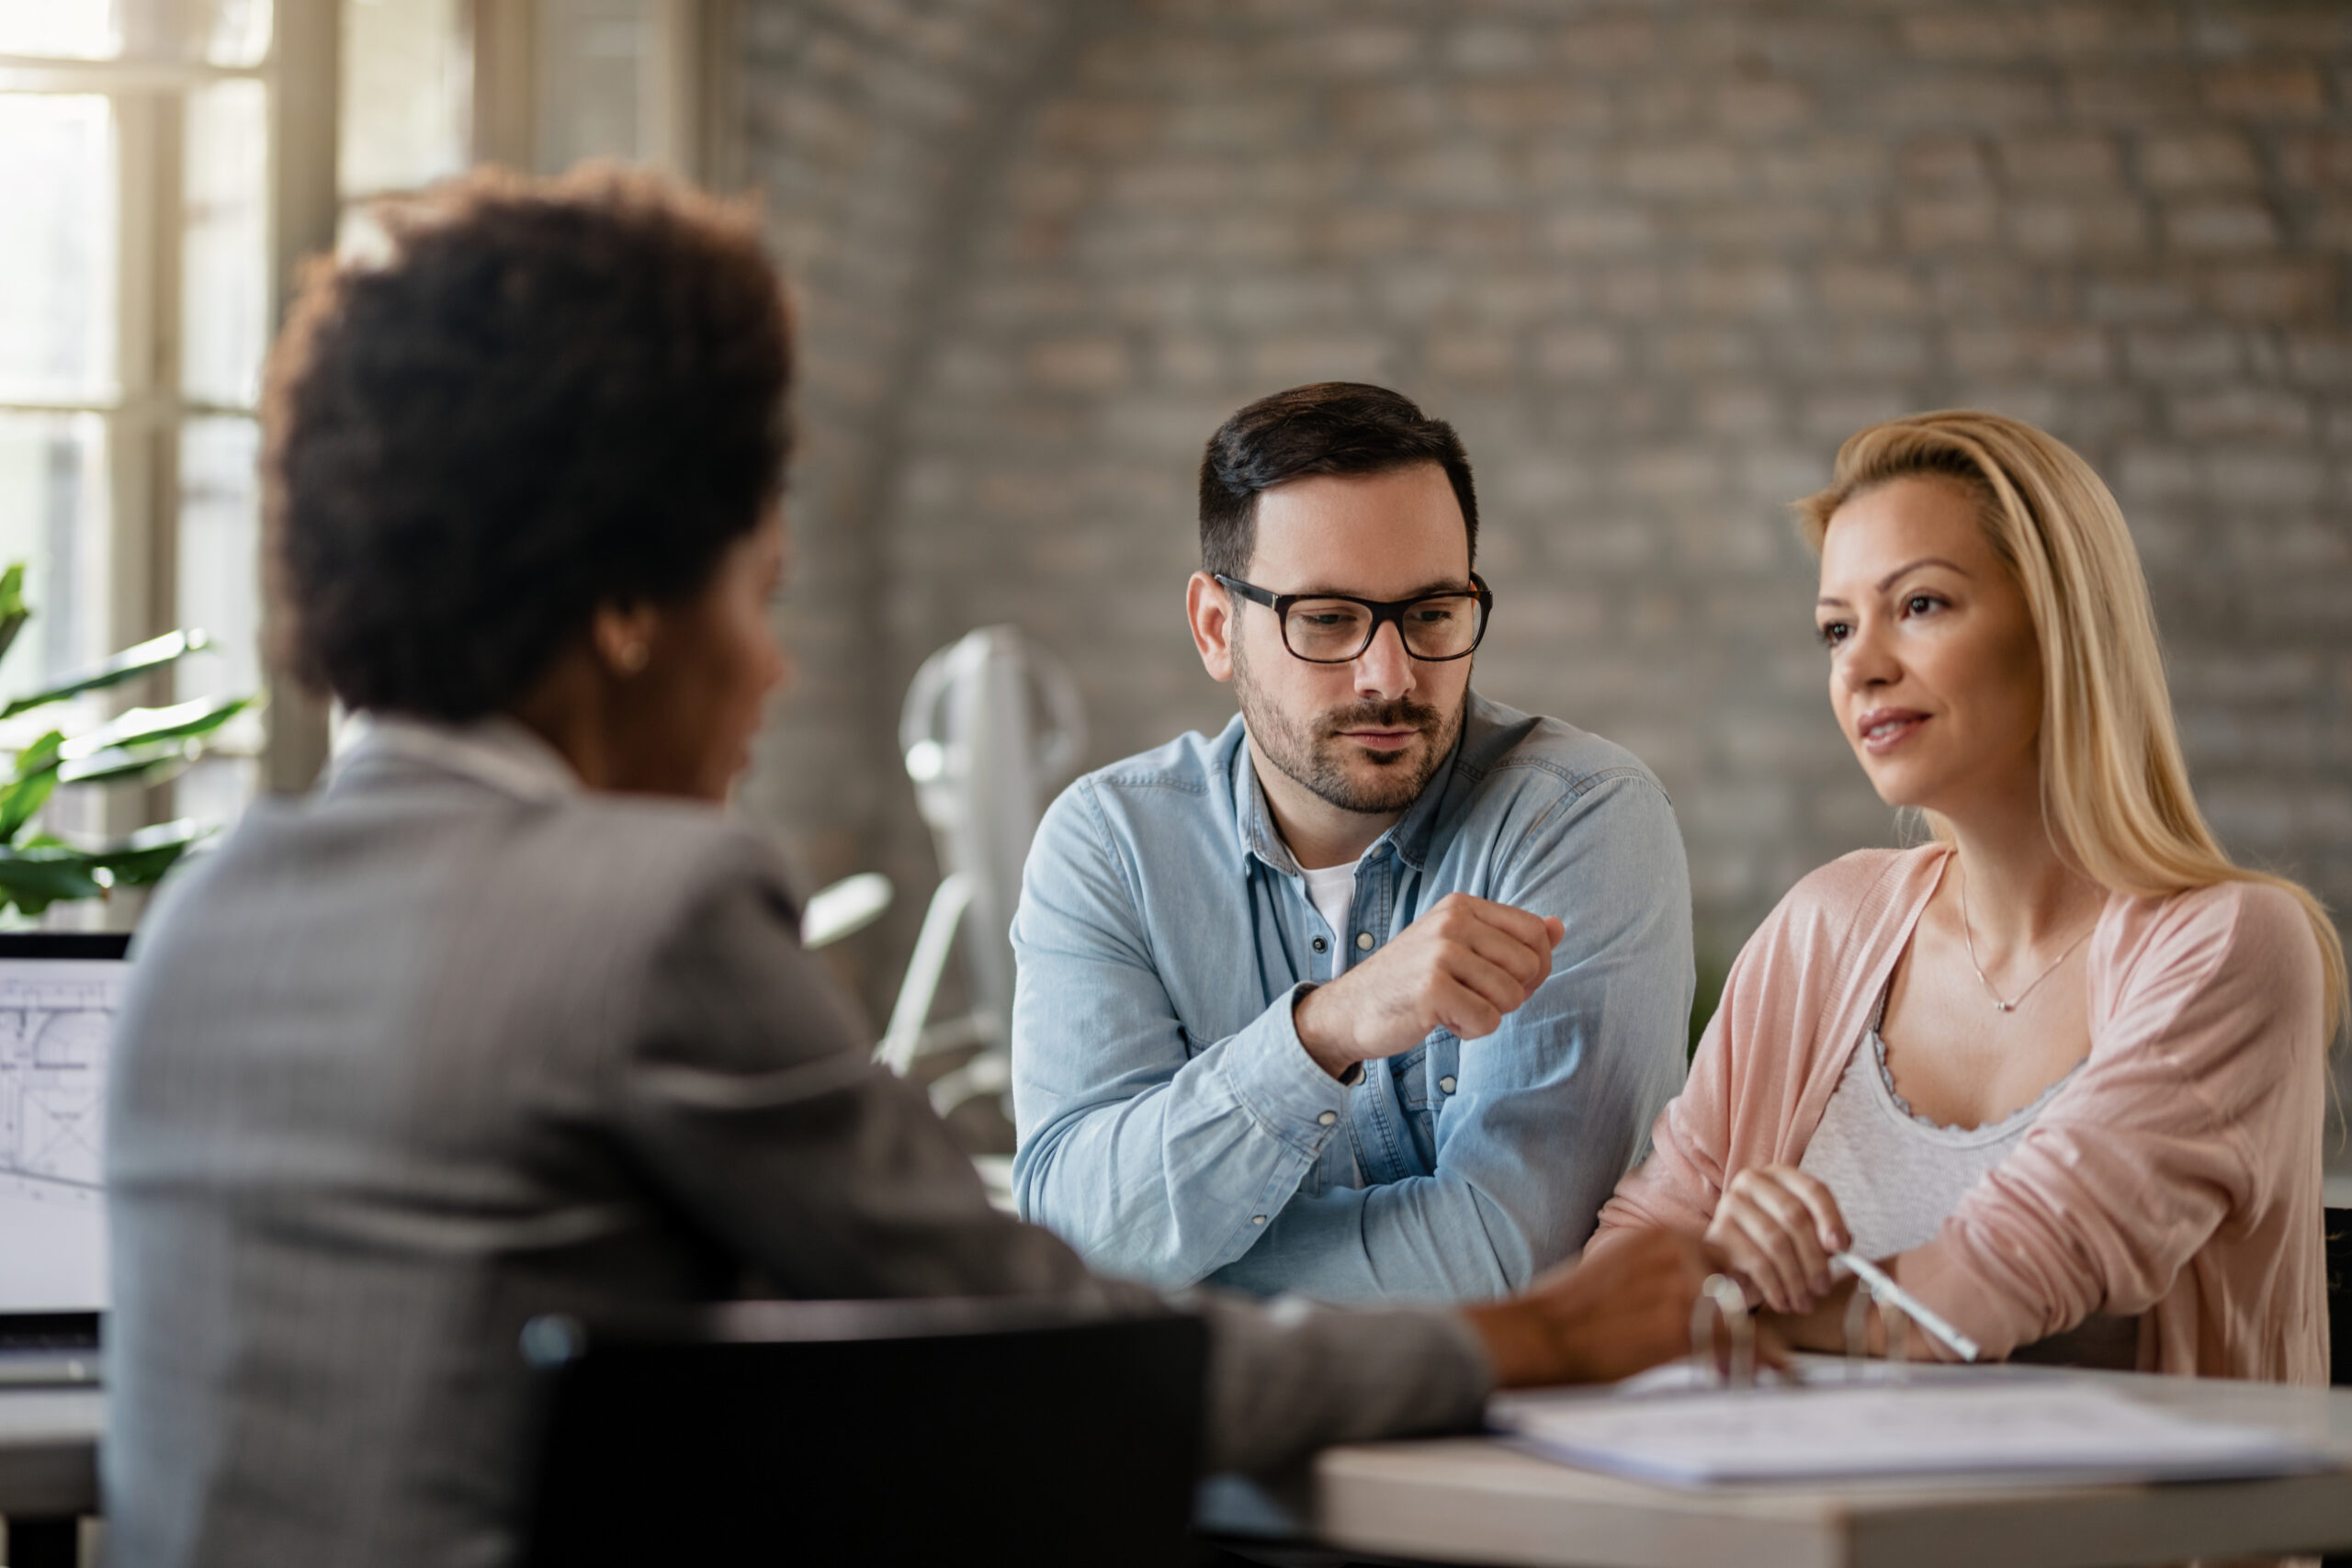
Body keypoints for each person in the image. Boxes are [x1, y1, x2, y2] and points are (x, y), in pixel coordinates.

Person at [101, 167, 1723, 1568]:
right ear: (627, 612)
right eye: (758, 595)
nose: (774, 672)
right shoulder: (645, 919)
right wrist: (1526, 1336)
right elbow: (1041, 1330)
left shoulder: (206, 919)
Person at [1591, 409, 2346, 1382]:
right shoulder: (1823, 927)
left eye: (1920, 605)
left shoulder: (2231, 945)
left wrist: (1730, 1300)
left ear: (2060, 626)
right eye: (1836, 628)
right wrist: (1712, 1262)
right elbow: (1612, 1278)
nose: (1860, 666)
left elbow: (1983, 1291)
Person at [1010, 382, 1693, 1303]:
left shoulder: (1577, 817)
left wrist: (1169, 1272)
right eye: (1327, 619)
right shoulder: (1111, 846)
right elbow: (1069, 1231)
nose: (1390, 676)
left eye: (1432, 613)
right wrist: (1323, 1032)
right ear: (1216, 629)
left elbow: (1514, 1262)